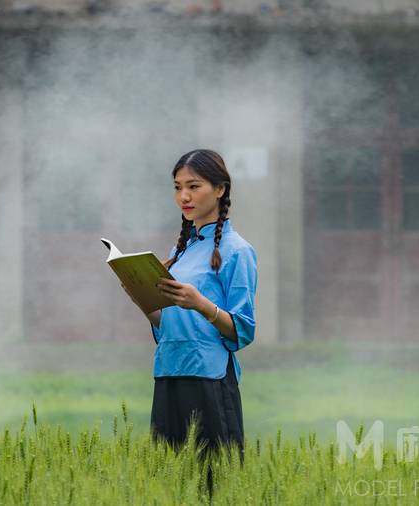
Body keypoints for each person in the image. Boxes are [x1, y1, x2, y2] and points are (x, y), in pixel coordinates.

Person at [121, 148, 257, 495]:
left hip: (209, 377)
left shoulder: (237, 251)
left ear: (220, 189)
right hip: (169, 371)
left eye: (194, 186)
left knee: (214, 483)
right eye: (178, 187)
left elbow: (243, 329)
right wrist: (140, 295)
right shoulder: (180, 251)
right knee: (172, 482)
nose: (184, 196)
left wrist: (201, 304)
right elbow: (166, 322)